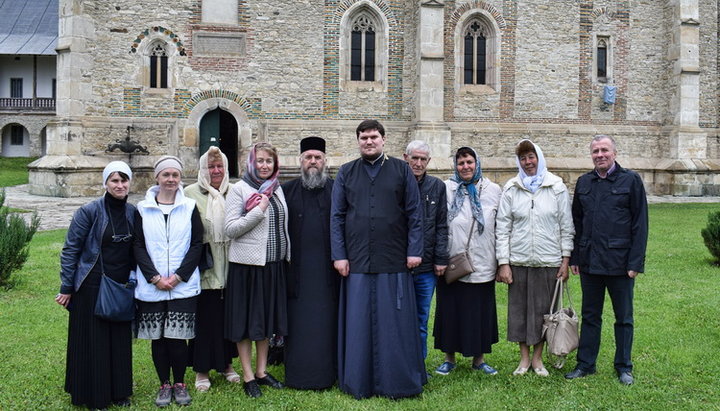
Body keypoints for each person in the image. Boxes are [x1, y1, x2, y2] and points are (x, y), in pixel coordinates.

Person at [331, 119, 426, 399]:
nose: (369, 141)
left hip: (394, 259)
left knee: (393, 325)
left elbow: (415, 213)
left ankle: (396, 380)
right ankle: (358, 381)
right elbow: (336, 218)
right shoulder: (346, 172)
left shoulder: (401, 170)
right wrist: (339, 255)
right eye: (363, 137)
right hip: (357, 261)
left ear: (384, 139)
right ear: (358, 141)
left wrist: (414, 250)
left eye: (373, 137)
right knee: (359, 324)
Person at [565, 135, 648, 385]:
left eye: (604, 150)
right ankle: (586, 364)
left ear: (614, 152)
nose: (600, 155)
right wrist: (576, 257)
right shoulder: (584, 182)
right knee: (591, 316)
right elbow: (577, 222)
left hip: (620, 264)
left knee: (623, 318)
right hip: (590, 263)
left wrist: (635, 263)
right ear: (591, 155)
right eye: (595, 151)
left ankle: (624, 366)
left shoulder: (631, 180)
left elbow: (640, 224)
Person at [56, 161, 136, 409]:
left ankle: (119, 392)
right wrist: (67, 286)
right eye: (114, 180)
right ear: (105, 183)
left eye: (124, 180)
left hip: (121, 285)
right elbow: (71, 250)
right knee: (95, 341)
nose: (120, 185)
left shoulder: (133, 212)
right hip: (92, 284)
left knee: (119, 341)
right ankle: (92, 394)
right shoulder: (88, 211)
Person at [495, 139, 575, 376]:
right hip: (519, 260)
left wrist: (565, 259)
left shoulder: (556, 187)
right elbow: (503, 228)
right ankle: (524, 359)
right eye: (523, 158)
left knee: (544, 313)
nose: (528, 162)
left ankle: (538, 359)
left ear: (539, 158)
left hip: (548, 261)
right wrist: (503, 263)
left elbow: (566, 226)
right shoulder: (511, 188)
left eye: (531, 157)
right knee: (519, 312)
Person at [134, 155, 203, 407]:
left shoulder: (190, 207)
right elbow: (138, 245)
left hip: (182, 285)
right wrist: (154, 277)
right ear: (157, 178)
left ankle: (180, 384)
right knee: (159, 338)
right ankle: (164, 384)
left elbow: (196, 245)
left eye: (175, 175)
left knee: (177, 337)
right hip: (152, 286)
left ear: (180, 178)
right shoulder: (142, 209)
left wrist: (178, 276)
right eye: (166, 175)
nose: (171, 179)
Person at [224, 142, 290, 398]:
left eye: (268, 161)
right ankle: (248, 376)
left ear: (275, 164)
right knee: (245, 323)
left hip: (273, 265)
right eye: (260, 160)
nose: (264, 165)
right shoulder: (239, 190)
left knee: (265, 321)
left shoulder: (277, 189)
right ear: (251, 162)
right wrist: (258, 211)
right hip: (247, 267)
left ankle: (262, 372)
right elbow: (230, 229)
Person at [433, 147, 501, 376]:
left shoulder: (493, 190)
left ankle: (479, 359)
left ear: (477, 163)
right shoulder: (446, 188)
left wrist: (502, 262)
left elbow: (500, 228)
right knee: (450, 311)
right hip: (452, 261)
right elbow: (439, 223)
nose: (465, 167)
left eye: (469, 162)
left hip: (482, 261)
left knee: (479, 312)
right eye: (460, 163)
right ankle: (449, 359)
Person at [281, 136, 339, 390]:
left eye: (317, 157)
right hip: (297, 275)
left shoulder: (338, 189)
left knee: (326, 325)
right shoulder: (286, 191)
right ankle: (298, 374)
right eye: (308, 158)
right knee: (299, 327)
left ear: (325, 161)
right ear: (300, 161)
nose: (313, 162)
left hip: (328, 276)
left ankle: (328, 374)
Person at [184, 147, 240, 392]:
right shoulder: (189, 193)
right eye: (211, 167)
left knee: (227, 318)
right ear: (203, 169)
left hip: (231, 264)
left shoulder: (235, 192)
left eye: (220, 167)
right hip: (205, 265)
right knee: (205, 319)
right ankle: (202, 370)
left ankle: (227, 364)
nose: (216, 171)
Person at [402, 140, 448, 360]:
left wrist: (441, 258)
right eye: (415, 158)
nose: (418, 163)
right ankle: (399, 364)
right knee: (398, 318)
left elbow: (441, 224)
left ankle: (418, 365)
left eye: (423, 159)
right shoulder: (395, 183)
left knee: (421, 319)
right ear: (405, 158)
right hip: (398, 267)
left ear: (428, 162)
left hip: (427, 268)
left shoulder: (437, 187)